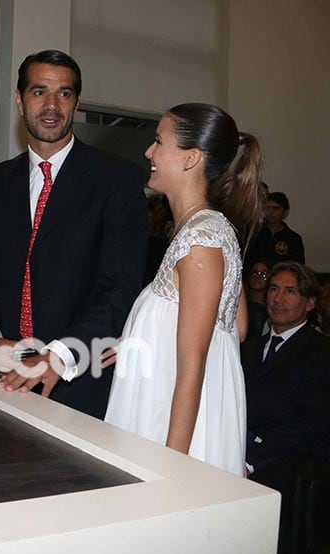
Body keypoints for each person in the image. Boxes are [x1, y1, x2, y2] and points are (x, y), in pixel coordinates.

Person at [0, 49, 147, 419]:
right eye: (39, 92)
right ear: (20, 100)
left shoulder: (117, 180)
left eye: (64, 93)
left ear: (76, 102)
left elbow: (120, 287)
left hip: (80, 381)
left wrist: (61, 354)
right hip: (3, 375)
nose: (52, 105)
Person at [104, 103, 264, 476]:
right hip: (172, 399)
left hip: (173, 424)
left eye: (159, 142)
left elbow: (192, 366)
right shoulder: (212, 229)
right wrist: (146, 336)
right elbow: (235, 327)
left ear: (191, 159)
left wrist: (169, 471)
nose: (149, 152)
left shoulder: (200, 241)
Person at [242, 262, 330, 552]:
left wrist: (251, 459)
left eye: (290, 291)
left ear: (310, 303)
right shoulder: (251, 346)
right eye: (274, 289)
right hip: (244, 448)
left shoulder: (321, 352)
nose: (278, 299)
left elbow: (309, 424)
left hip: (291, 461)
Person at [246, 191, 305, 267]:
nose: (270, 212)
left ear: (285, 212)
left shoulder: (293, 239)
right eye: (267, 208)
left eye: (275, 208)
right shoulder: (254, 234)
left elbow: (298, 268)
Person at [245, 259, 271, 340]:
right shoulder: (240, 305)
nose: (258, 277)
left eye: (263, 274)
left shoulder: (272, 308)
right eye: (255, 272)